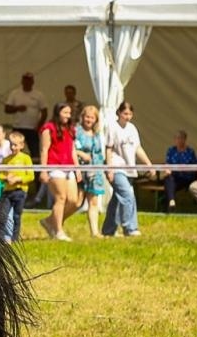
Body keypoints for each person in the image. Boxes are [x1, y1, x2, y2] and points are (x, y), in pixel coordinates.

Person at [101, 102, 154, 238]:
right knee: (128, 195)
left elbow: (137, 148)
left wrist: (148, 163)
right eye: (125, 114)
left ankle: (108, 229)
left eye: (130, 114)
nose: (128, 117)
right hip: (116, 167)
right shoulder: (112, 127)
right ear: (119, 113)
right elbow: (108, 148)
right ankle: (130, 227)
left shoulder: (132, 128)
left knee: (117, 199)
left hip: (129, 168)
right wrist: (109, 168)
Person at [38, 101, 79, 241]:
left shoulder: (71, 129)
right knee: (60, 198)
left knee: (74, 201)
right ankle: (58, 231)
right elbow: (44, 150)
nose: (68, 115)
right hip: (54, 166)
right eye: (65, 112)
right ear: (58, 113)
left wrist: (77, 168)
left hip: (69, 167)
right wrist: (43, 171)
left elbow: (73, 150)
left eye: (69, 113)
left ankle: (51, 221)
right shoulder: (48, 128)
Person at [73, 104, 107, 237]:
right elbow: (71, 149)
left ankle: (94, 231)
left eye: (92, 117)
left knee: (93, 202)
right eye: (87, 117)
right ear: (83, 117)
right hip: (81, 171)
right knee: (76, 201)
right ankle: (57, 223)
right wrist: (81, 154)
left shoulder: (97, 133)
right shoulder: (77, 132)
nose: (89, 120)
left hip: (95, 171)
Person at [0, 131, 34, 243]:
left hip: (20, 191)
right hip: (8, 191)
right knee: (5, 214)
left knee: (17, 216)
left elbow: (31, 175)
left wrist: (18, 179)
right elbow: (0, 174)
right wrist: (7, 178)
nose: (13, 147)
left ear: (21, 145)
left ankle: (15, 238)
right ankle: (2, 237)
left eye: (16, 145)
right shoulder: (6, 160)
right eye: (11, 144)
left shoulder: (26, 158)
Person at [4, 71, 48, 147]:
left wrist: (39, 126)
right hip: (18, 127)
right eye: (25, 80)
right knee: (15, 150)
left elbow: (44, 112)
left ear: (32, 81)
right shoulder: (15, 93)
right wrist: (17, 108)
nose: (27, 82)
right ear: (22, 81)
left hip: (33, 128)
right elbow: (6, 109)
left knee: (34, 151)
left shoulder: (38, 95)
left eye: (29, 80)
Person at [163, 130, 197, 210]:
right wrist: (167, 170)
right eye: (177, 138)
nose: (179, 140)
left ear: (185, 139)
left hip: (187, 177)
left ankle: (169, 202)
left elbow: (195, 166)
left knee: (170, 181)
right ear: (175, 140)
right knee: (168, 179)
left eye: (181, 138)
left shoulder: (190, 151)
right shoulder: (171, 150)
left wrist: (187, 169)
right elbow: (168, 163)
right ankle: (171, 201)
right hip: (175, 176)